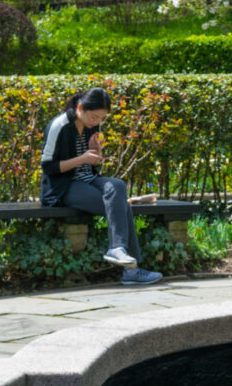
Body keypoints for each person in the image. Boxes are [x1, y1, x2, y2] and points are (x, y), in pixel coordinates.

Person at [40, 88, 163, 285]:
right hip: (62, 187)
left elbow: (91, 164)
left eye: (101, 118)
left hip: (87, 180)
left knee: (117, 185)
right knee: (122, 206)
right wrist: (82, 159)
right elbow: (47, 167)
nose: (96, 122)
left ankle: (118, 251)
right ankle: (130, 269)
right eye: (93, 116)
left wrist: (96, 155)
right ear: (80, 108)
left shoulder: (92, 127)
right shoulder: (59, 125)